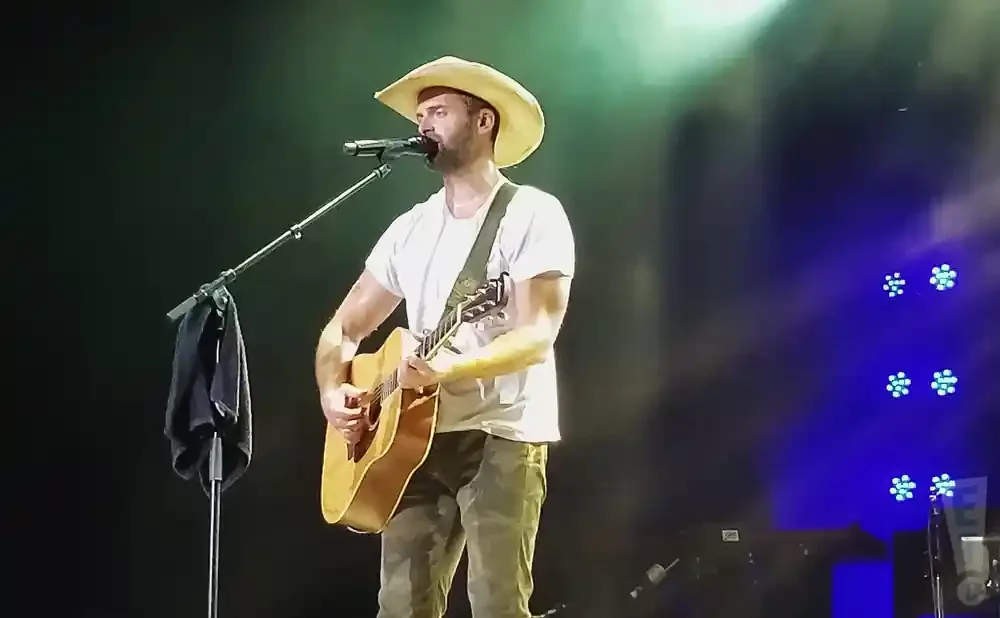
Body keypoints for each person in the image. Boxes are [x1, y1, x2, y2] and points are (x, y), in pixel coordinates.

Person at [314, 56, 575, 618]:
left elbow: (538, 332)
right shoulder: (409, 229)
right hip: (414, 439)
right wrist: (333, 393)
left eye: (438, 111)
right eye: (420, 115)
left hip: (502, 435)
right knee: (401, 607)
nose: (422, 126)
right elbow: (342, 329)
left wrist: (446, 370)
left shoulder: (531, 214)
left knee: (498, 603)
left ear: (483, 121)